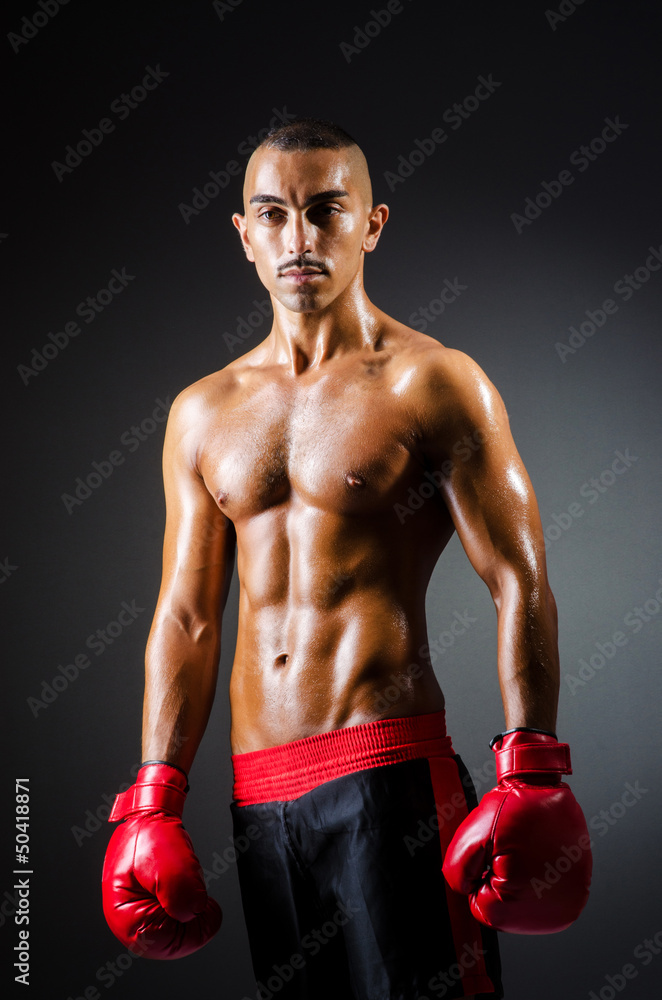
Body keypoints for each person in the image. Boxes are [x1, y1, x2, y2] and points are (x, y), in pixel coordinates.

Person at [102, 119, 591, 1000]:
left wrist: (533, 766)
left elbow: (519, 578)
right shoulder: (202, 414)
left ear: (371, 224)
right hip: (260, 800)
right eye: (274, 215)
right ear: (243, 234)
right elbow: (187, 615)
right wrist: (153, 797)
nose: (299, 240)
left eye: (326, 212)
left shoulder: (433, 382)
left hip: (390, 781)